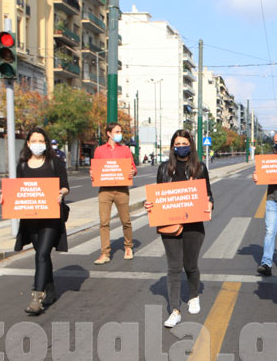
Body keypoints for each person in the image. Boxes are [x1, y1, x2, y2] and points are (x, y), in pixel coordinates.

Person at [144, 130, 213, 327]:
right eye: (177, 143)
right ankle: (174, 310)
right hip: (170, 225)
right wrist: (150, 205)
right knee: (174, 268)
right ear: (173, 147)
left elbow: (209, 194)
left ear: (190, 145)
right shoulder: (164, 169)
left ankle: (193, 295)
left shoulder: (200, 169)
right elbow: (158, 197)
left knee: (190, 266)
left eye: (184, 143)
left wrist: (209, 203)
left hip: (194, 227)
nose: (181, 146)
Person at [1, 128, 70, 315]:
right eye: (34, 140)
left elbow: (65, 186)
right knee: (42, 254)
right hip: (30, 218)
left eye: (41, 140)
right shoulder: (22, 165)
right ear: (28, 143)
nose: (37, 144)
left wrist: (60, 194)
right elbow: (17, 189)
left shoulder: (54, 162)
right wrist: (6, 197)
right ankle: (51, 289)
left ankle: (36, 298)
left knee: (42, 254)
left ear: (46, 143)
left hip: (51, 218)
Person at [91, 122, 137, 264]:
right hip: (105, 190)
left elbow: (133, 168)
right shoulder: (99, 150)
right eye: (117, 131)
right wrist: (92, 174)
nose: (119, 134)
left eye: (120, 131)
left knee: (125, 220)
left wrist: (132, 172)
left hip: (121, 189)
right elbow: (95, 168)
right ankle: (105, 253)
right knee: (104, 222)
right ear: (109, 133)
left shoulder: (125, 150)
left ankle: (128, 246)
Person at [252, 131, 277, 276]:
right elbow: (260, 176)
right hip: (271, 199)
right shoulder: (268, 160)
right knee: (270, 232)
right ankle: (266, 263)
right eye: (276, 142)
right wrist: (256, 177)